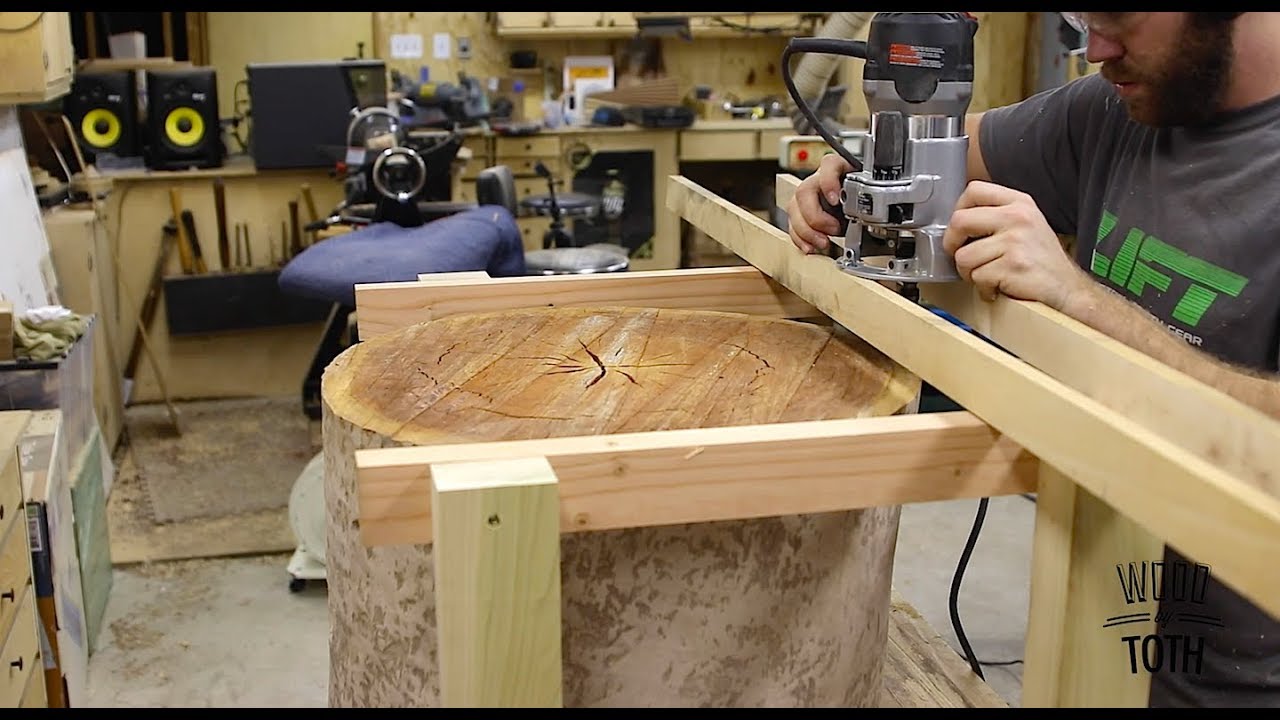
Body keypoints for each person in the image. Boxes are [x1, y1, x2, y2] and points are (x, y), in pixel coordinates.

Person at [785, 11, 1280, 708]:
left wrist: (1082, 301)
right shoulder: (1114, 108)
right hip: (1098, 627)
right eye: (1083, 17)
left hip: (1244, 680)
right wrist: (863, 170)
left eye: (1120, 17)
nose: (1093, 48)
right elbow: (956, 146)